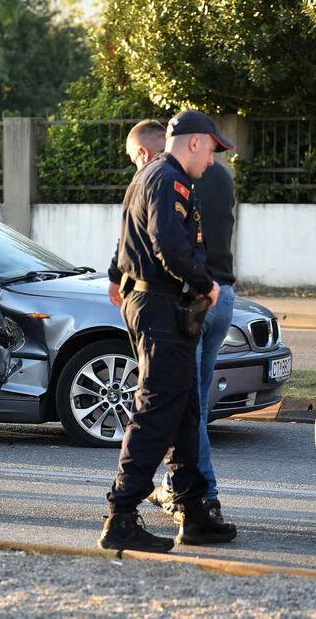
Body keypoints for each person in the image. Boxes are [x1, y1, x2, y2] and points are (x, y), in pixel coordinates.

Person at [100, 110, 238, 551]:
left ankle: (193, 512)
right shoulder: (168, 178)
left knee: (184, 413)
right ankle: (121, 517)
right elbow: (168, 243)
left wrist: (116, 275)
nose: (213, 161)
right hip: (161, 307)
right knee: (158, 412)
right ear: (194, 142)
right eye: (213, 149)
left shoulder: (151, 174)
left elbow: (127, 241)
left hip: (159, 306)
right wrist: (206, 284)